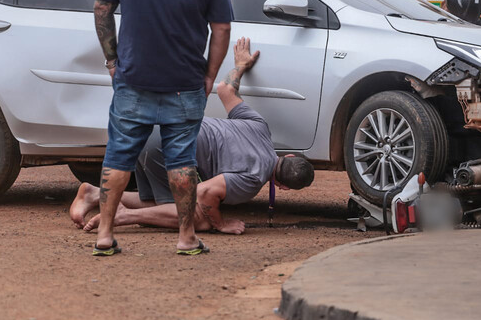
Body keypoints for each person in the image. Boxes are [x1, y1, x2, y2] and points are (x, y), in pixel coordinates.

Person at [70, 38, 315, 236]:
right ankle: (122, 216)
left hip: (150, 128)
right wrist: (221, 224)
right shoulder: (253, 179)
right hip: (163, 148)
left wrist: (240, 65)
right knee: (198, 218)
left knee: (159, 202)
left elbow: (225, 89)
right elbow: (205, 194)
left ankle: (95, 194)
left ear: (288, 154)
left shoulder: (260, 127)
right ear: (282, 186)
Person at [90, 0, 233, 256]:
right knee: (181, 161)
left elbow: (101, 9)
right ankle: (185, 238)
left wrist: (112, 61)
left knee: (118, 157)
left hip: (132, 79)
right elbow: (222, 28)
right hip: (184, 84)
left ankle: (105, 234)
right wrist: (210, 75)